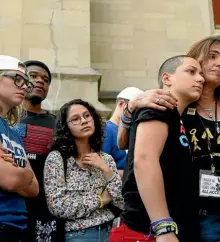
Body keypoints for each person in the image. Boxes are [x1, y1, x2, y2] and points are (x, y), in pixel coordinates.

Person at [117, 36, 220, 241]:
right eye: (212, 56)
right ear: (194, 60)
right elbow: (128, 145)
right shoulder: (176, 102)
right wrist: (131, 107)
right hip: (203, 215)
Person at [109, 55, 204, 242]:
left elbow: (124, 143)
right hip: (147, 229)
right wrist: (162, 225)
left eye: (201, 73)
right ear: (167, 78)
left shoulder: (180, 116)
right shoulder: (159, 106)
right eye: (191, 72)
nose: (200, 78)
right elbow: (144, 161)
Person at [43, 99, 123, 242]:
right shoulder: (57, 159)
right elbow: (58, 205)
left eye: (87, 116)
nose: (84, 121)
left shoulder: (106, 159)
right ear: (66, 127)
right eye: (75, 119)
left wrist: (106, 169)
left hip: (110, 232)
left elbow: (120, 201)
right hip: (77, 235)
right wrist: (100, 200)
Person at [0, 55, 39, 241]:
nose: (25, 87)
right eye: (17, 79)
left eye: (26, 82)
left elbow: (34, 189)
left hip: (15, 227)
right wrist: (24, 173)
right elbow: (9, 180)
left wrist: (18, 173)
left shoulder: (13, 132)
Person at [12, 60, 64, 241]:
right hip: (12, 207)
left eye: (45, 79)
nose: (40, 81)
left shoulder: (58, 124)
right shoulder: (5, 119)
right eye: (33, 76)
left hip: (46, 210)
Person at [102, 87, 143, 177]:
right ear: (121, 104)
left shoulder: (135, 129)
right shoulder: (106, 130)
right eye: (136, 109)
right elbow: (101, 169)